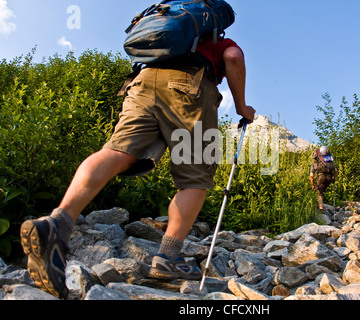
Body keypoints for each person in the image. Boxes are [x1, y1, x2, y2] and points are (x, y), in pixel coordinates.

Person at [20, 33, 255, 298]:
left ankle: (58, 223)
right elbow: (233, 58)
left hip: (142, 82)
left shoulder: (166, 24)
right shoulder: (214, 36)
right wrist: (241, 106)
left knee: (116, 151)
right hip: (190, 86)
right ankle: (168, 256)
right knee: (196, 177)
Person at [309, 146, 338, 211]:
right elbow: (336, 170)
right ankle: (321, 206)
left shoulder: (314, 164)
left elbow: (311, 176)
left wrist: (313, 185)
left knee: (319, 193)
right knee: (323, 190)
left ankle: (321, 208)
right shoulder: (329, 162)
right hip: (329, 178)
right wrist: (334, 179)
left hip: (320, 178)